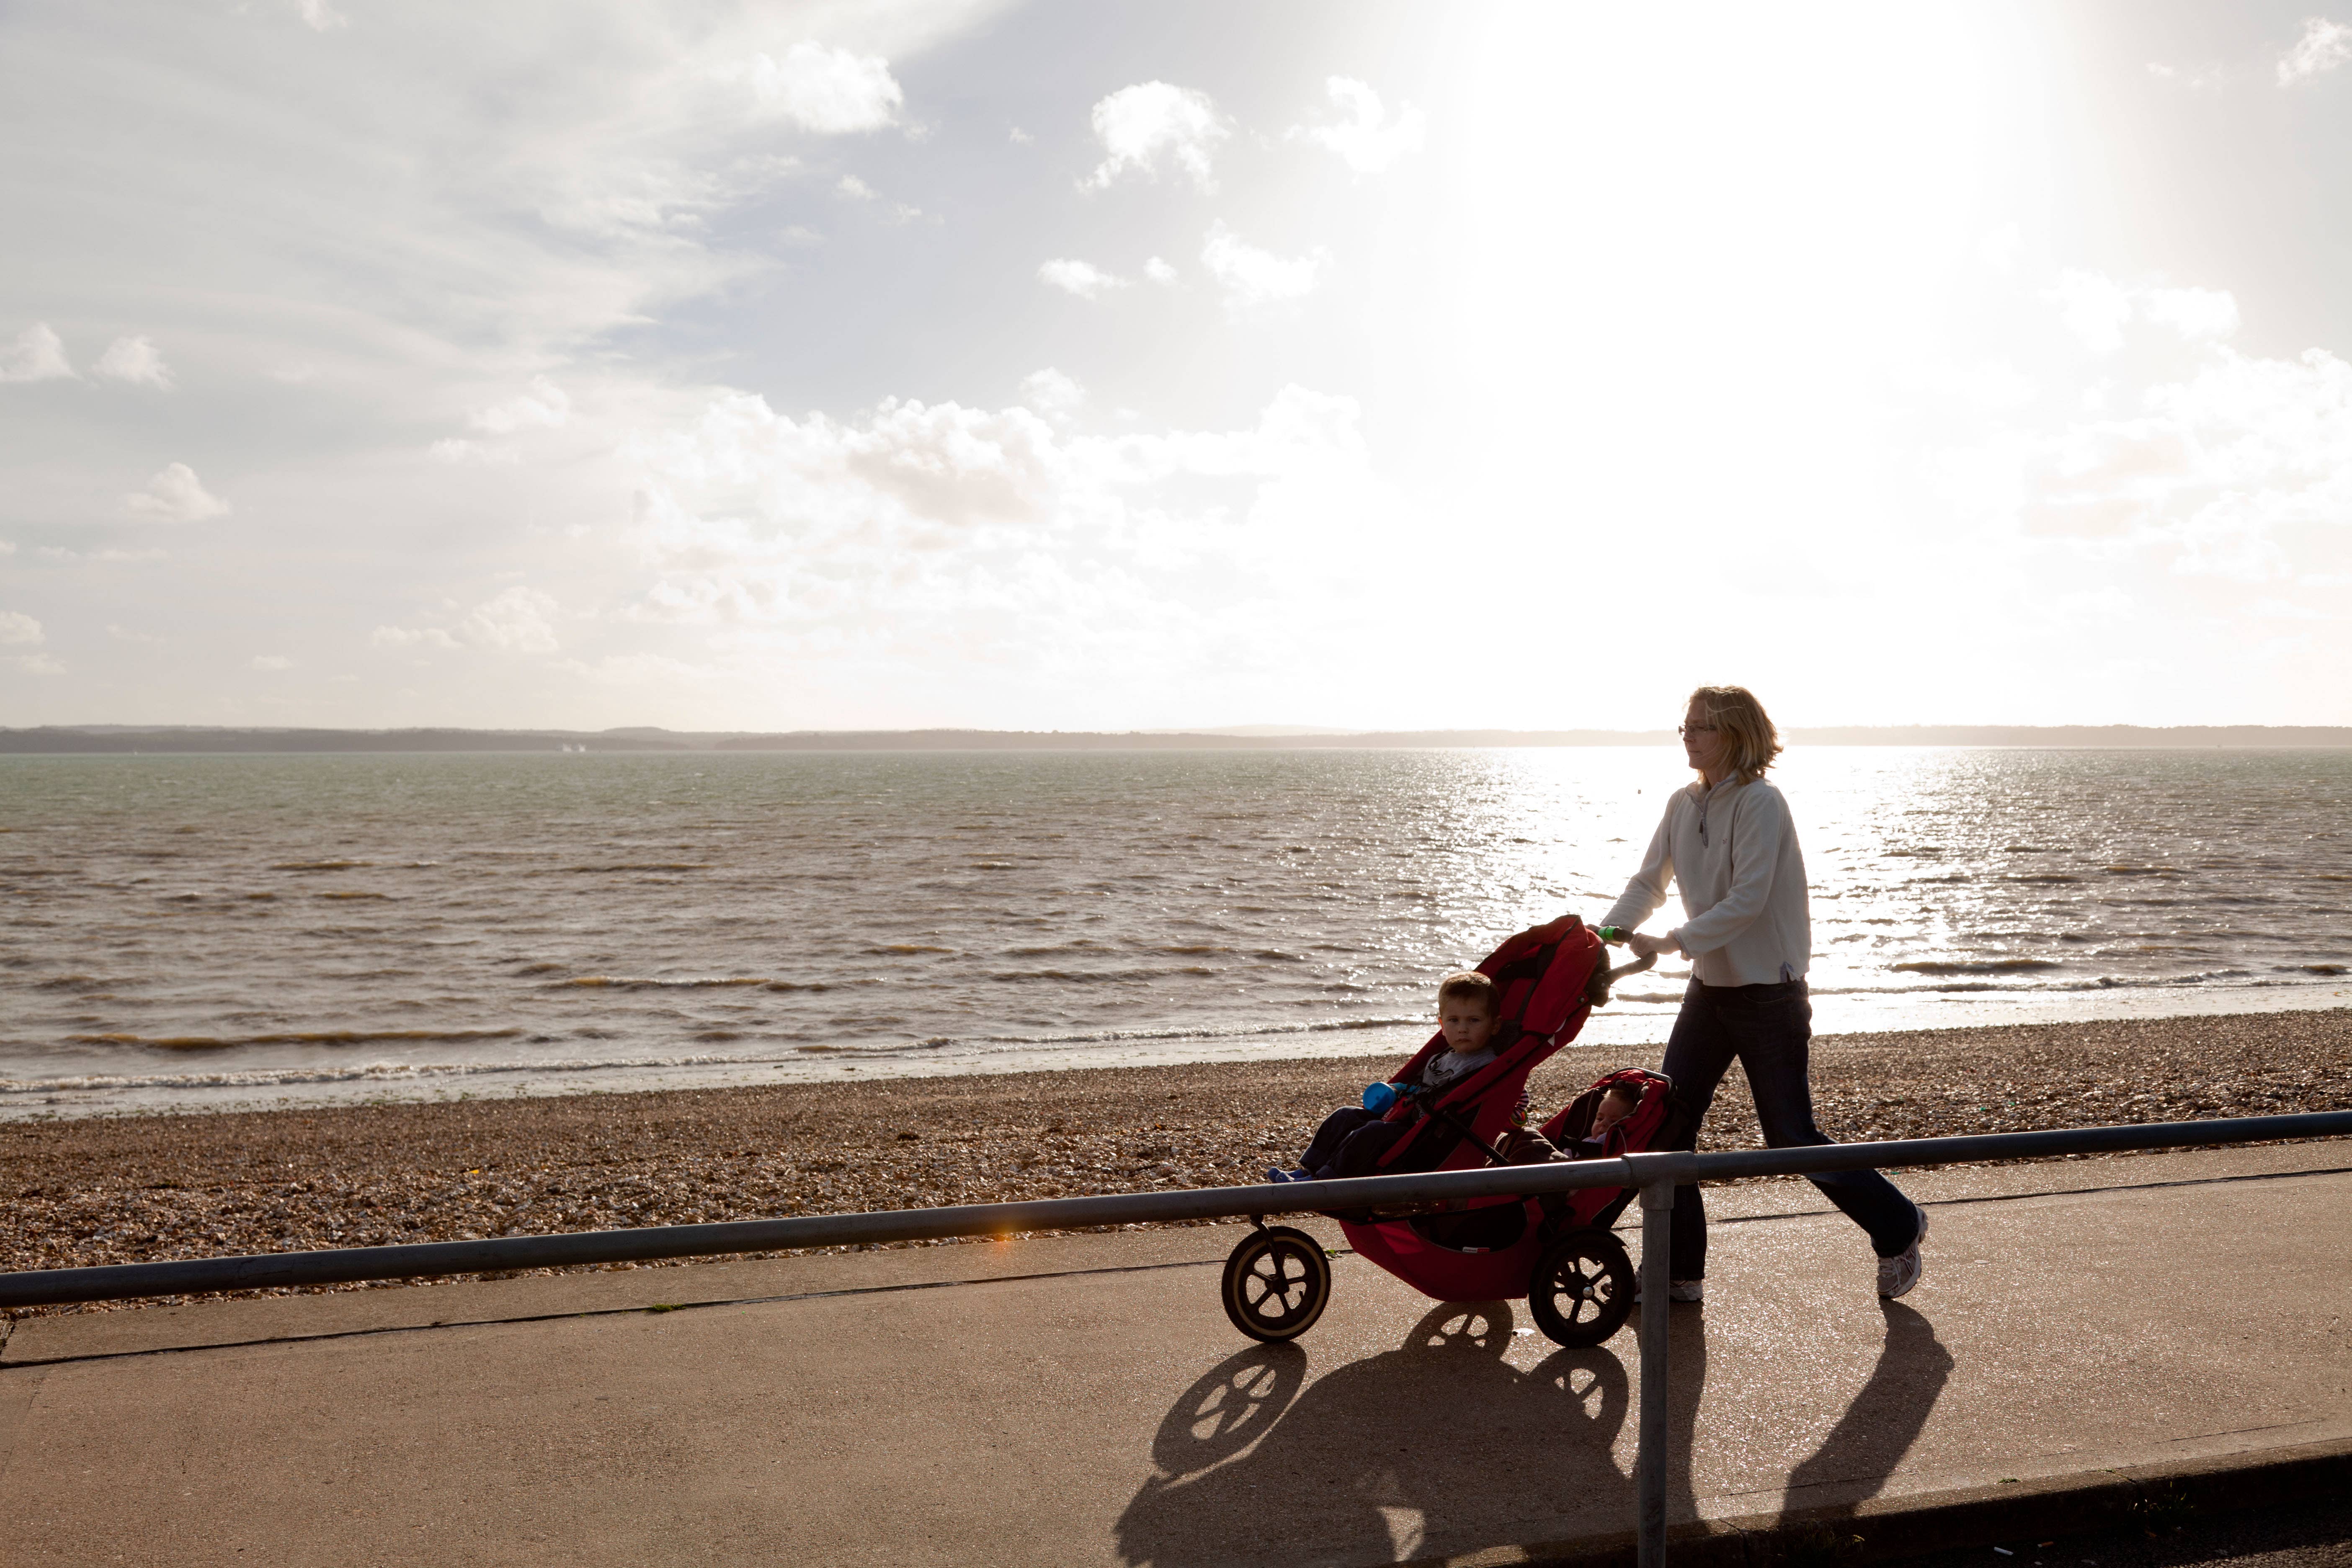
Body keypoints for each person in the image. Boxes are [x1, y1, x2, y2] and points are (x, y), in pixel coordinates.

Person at [1603, 685, 1928, 1302]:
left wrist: (1672, 940)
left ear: (1735, 734)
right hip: (1710, 993)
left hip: (1768, 995)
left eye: (1701, 727)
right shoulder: (1682, 803)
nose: (1688, 736)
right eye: (1685, 726)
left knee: (1791, 1140)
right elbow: (1649, 880)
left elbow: (1747, 901)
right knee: (1669, 1129)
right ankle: (1679, 1271)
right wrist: (1608, 932)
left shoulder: (1761, 803)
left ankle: (1898, 1224)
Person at [1271, 970, 1503, 1182]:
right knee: (1345, 1116)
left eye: (1474, 1020)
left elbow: (1509, 1095)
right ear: (1442, 1025)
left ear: (1494, 1026)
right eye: (1454, 1020)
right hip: (1407, 1117)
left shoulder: (1490, 1064)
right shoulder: (1440, 1057)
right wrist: (1398, 1090)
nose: (1463, 1028)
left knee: (1373, 1132)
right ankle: (1307, 1170)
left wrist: (1515, 1111)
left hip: (1430, 1137)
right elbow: (1419, 1086)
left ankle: (1324, 1180)